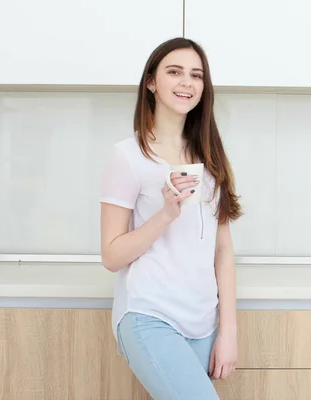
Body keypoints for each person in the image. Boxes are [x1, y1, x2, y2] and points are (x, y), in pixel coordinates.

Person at [99, 37, 242, 399]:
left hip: (203, 321)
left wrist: (228, 332)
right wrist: (165, 214)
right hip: (150, 315)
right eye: (174, 72)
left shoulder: (210, 156)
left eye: (196, 75)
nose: (187, 82)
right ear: (151, 82)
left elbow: (222, 249)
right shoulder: (128, 156)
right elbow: (112, 256)